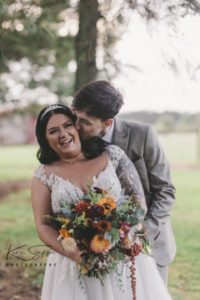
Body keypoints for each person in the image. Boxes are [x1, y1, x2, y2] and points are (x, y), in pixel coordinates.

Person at [31, 104, 172, 300]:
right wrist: (75, 254)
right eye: (54, 131)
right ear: (45, 139)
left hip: (122, 254)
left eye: (67, 125)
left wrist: (122, 235)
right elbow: (43, 225)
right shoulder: (43, 176)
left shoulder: (112, 155)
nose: (63, 134)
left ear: (77, 127)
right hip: (73, 263)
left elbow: (138, 201)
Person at [72, 80, 176, 283]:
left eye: (85, 121)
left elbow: (165, 190)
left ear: (108, 123)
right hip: (96, 250)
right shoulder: (75, 140)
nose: (76, 126)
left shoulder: (143, 135)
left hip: (150, 247)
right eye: (75, 116)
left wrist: (141, 233)